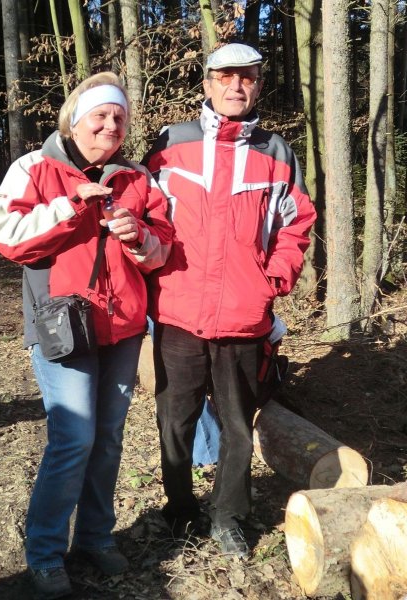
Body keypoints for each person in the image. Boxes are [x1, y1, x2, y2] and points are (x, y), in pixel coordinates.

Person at [0, 72, 172, 599]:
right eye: (100, 115)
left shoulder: (137, 178)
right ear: (75, 119)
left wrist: (141, 239)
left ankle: (94, 536)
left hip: (123, 328)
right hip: (62, 327)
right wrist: (72, 206)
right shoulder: (35, 167)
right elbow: (8, 235)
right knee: (73, 438)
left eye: (119, 117)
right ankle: (45, 553)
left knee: (108, 438)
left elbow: (165, 246)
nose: (111, 125)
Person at [142, 43, 317, 558]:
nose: (235, 86)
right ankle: (179, 509)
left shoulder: (277, 152)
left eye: (246, 78)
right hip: (178, 311)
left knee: (239, 426)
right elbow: (144, 211)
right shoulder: (170, 144)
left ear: (258, 85)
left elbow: (297, 225)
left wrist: (275, 278)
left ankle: (229, 516)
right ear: (207, 84)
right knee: (175, 419)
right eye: (225, 77)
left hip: (245, 316)